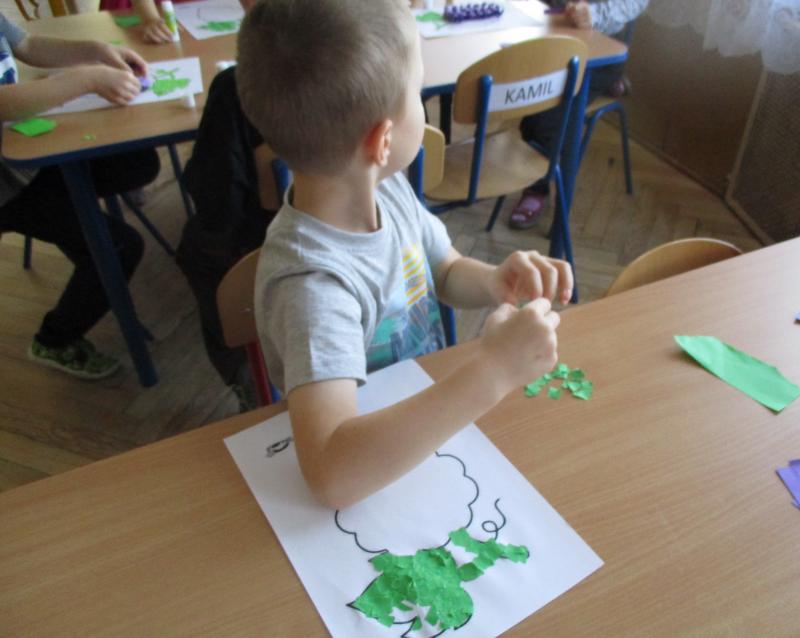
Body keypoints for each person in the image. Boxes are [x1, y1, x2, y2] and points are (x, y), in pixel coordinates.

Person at [237, 0, 573, 509]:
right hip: (372, 468)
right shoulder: (313, 287)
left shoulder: (384, 189)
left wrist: (492, 281)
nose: (421, 102)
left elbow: (443, 269)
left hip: (423, 427)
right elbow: (331, 475)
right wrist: (493, 371)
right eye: (417, 92)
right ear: (383, 139)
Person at [0, 13, 159, 379]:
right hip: (7, 190)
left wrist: (95, 51)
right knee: (119, 248)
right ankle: (54, 340)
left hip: (26, 159)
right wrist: (86, 79)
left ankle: (85, 242)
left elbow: (28, 44)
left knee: (136, 163)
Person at [176, 65, 275, 410]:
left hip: (271, 244)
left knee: (198, 250)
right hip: (360, 218)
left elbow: (216, 198)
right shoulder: (383, 51)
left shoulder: (243, 82)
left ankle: (245, 374)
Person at [509, 0, 648, 230]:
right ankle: (610, 85)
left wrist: (595, 15)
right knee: (517, 82)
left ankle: (537, 189)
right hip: (553, 37)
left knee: (542, 117)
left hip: (597, 51)